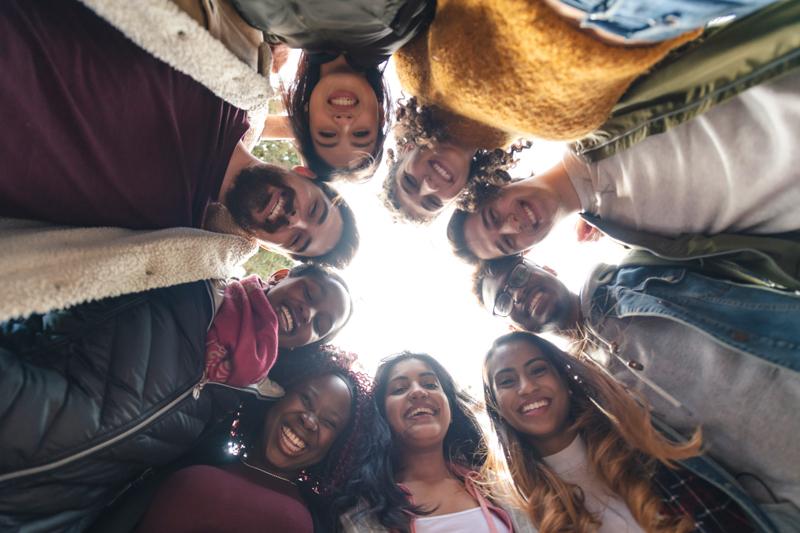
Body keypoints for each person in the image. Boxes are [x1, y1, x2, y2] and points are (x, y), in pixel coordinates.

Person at [0, 0, 358, 267]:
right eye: (314, 209)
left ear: (268, 246)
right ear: (305, 173)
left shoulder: (165, 234)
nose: (293, 218)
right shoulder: (229, 88)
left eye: (296, 238)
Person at [0, 263, 352, 532]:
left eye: (321, 324)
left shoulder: (240, 402)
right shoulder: (188, 283)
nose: (309, 313)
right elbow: (44, 306)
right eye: (310, 293)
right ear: (281, 275)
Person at [473, 244, 800, 529]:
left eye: (517, 276)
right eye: (503, 300)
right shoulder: (591, 398)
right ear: (514, 324)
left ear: (544, 267)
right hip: (776, 500)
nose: (517, 293)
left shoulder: (635, 277)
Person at [447, 65, 800, 262]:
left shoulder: (581, 119)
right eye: (508, 243)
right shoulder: (633, 241)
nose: (511, 225)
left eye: (493, 216)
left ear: (495, 184)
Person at [482, 332, 783, 532]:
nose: (527, 387)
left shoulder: (642, 446)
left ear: (564, 380)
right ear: (496, 406)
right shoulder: (515, 512)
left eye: (538, 370)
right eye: (507, 381)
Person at [134, 345, 372, 533]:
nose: (309, 421)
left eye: (329, 422)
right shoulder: (193, 457)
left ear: (337, 446)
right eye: (307, 400)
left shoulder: (316, 522)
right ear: (279, 392)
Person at [231, 0, 437, 180]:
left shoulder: (261, 25)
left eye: (327, 134)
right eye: (361, 133)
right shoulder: (410, 23)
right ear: (381, 115)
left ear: (306, 114)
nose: (344, 122)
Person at [339, 352, 536, 533]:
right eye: (399, 389)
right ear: (383, 416)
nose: (418, 392)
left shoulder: (497, 488)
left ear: (450, 412)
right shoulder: (362, 509)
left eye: (431, 384)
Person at [381, 97, 531, 223]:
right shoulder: (520, 128)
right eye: (433, 202)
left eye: (410, 182)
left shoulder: (431, 85)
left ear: (407, 149)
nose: (429, 186)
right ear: (461, 193)